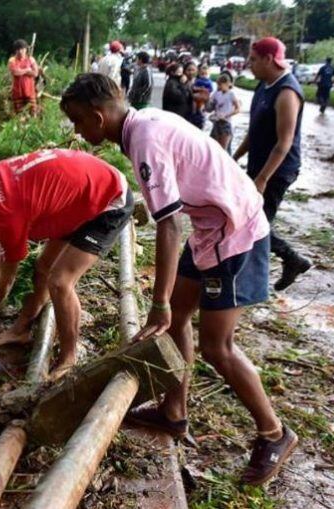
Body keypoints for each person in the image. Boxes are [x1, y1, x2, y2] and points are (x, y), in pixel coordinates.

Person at [60, 73, 297, 487]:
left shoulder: (144, 141)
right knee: (180, 318)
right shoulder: (143, 122)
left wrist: (158, 301)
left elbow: (168, 226)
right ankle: (174, 411)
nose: (77, 131)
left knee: (216, 346)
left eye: (78, 122)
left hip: (234, 231)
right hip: (209, 226)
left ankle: (274, 433)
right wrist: (168, 305)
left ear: (98, 117)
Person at [0, 150, 133, 378]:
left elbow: (9, 275)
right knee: (42, 267)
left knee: (60, 283)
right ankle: (21, 329)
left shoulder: (7, 211)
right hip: (77, 199)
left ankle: (69, 358)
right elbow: (1, 242)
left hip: (109, 200)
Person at [233, 37, 311, 291]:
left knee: (257, 223)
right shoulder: (264, 86)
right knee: (249, 220)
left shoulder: (287, 92)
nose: (249, 65)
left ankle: (288, 261)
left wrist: (263, 179)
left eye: (253, 60)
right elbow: (254, 131)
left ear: (269, 59)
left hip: (278, 170)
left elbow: (284, 142)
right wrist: (234, 158)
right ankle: (258, 272)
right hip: (258, 163)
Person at [206, 74, 240, 151]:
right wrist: (207, 101)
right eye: (218, 84)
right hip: (216, 123)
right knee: (212, 147)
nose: (219, 87)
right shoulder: (216, 93)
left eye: (220, 84)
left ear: (227, 84)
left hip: (226, 124)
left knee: (223, 150)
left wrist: (226, 115)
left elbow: (238, 109)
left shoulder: (231, 94)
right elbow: (209, 108)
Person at [8, 39, 40, 116]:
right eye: (18, 49)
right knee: (19, 116)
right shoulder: (12, 60)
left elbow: (35, 73)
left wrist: (21, 71)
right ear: (15, 50)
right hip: (17, 93)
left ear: (26, 49)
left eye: (22, 49)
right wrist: (27, 70)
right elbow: (15, 72)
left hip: (30, 92)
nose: (20, 51)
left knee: (33, 115)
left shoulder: (31, 59)